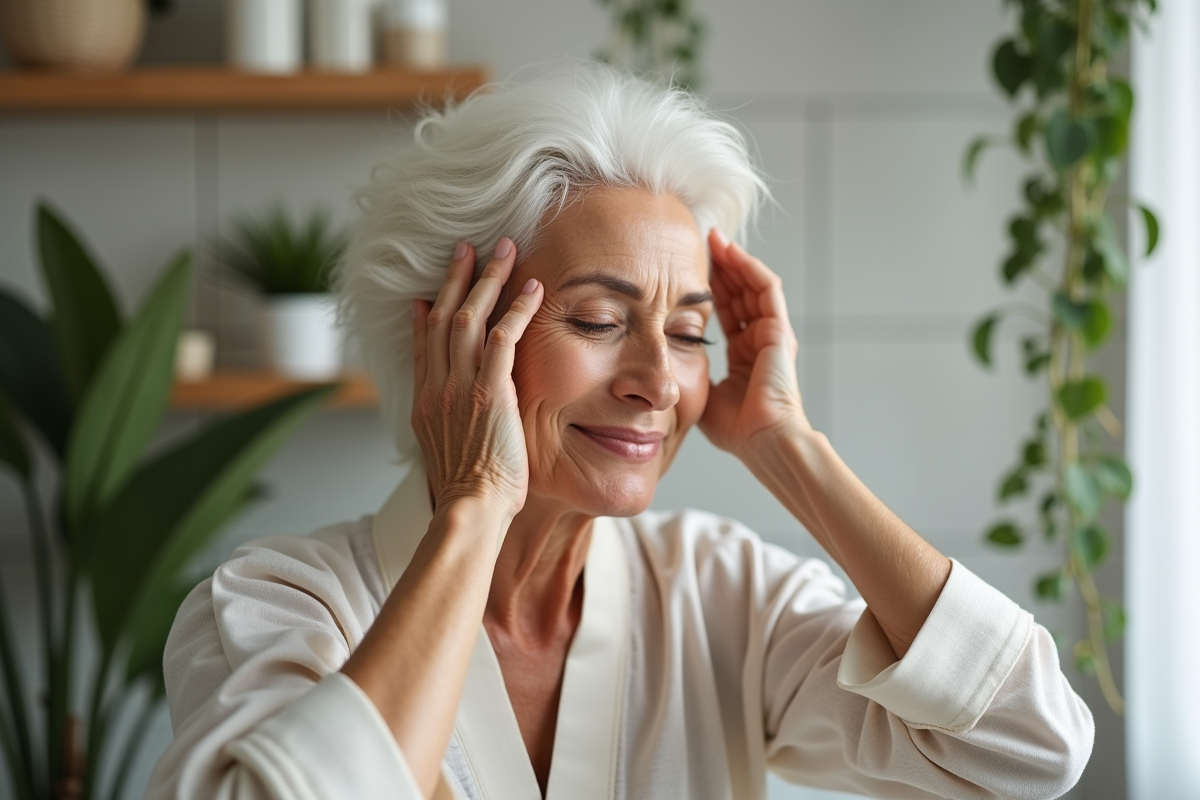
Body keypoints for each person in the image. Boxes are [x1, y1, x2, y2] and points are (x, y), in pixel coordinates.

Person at [147, 62, 1093, 800]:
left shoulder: (722, 598)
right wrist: (474, 511)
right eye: (598, 321)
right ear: (451, 335)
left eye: (688, 333)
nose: (657, 382)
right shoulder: (282, 608)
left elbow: (1029, 746)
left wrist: (786, 447)